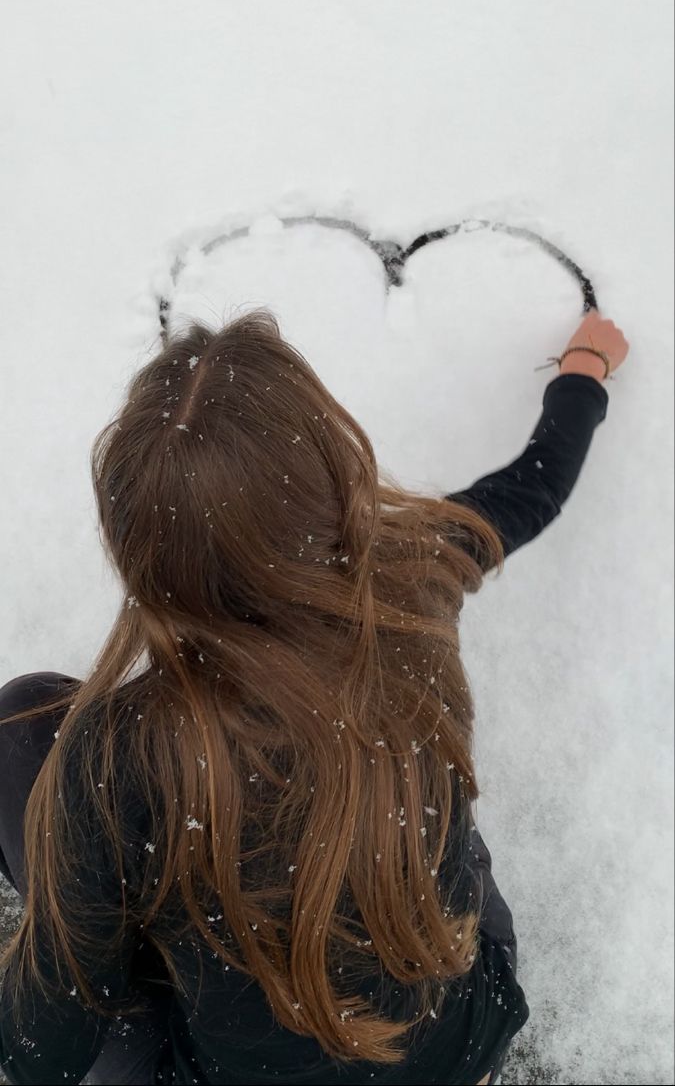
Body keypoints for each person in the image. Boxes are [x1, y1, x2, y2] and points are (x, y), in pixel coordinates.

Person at [0, 306, 629, 1086]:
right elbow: (528, 491)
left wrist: (72, 914)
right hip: (461, 1033)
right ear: (329, 479)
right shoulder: (409, 576)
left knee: (21, 724)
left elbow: (42, 1049)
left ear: (138, 549)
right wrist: (583, 375)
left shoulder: (120, 758)